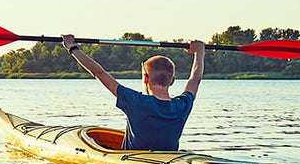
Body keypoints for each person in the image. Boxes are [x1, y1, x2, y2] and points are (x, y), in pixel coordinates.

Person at [61, 34, 205, 151]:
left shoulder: (135, 101)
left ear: (145, 78)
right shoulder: (182, 105)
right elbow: (195, 79)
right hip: (168, 160)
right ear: (172, 80)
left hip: (136, 162)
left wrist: (72, 48)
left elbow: (98, 72)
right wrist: (200, 51)